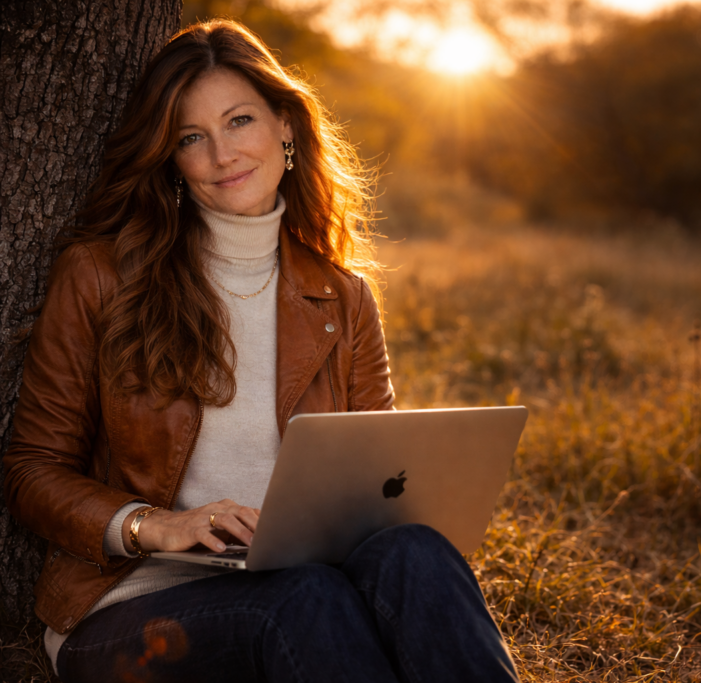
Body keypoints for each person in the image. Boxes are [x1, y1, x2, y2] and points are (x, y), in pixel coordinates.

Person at [3, 20, 519, 683]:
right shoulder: (100, 274)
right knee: (305, 598)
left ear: (285, 126)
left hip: (303, 583)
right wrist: (155, 525)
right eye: (192, 138)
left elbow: (380, 484)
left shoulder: (342, 295)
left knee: (414, 550)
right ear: (171, 158)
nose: (222, 154)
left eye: (239, 120)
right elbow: (31, 469)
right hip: (132, 612)